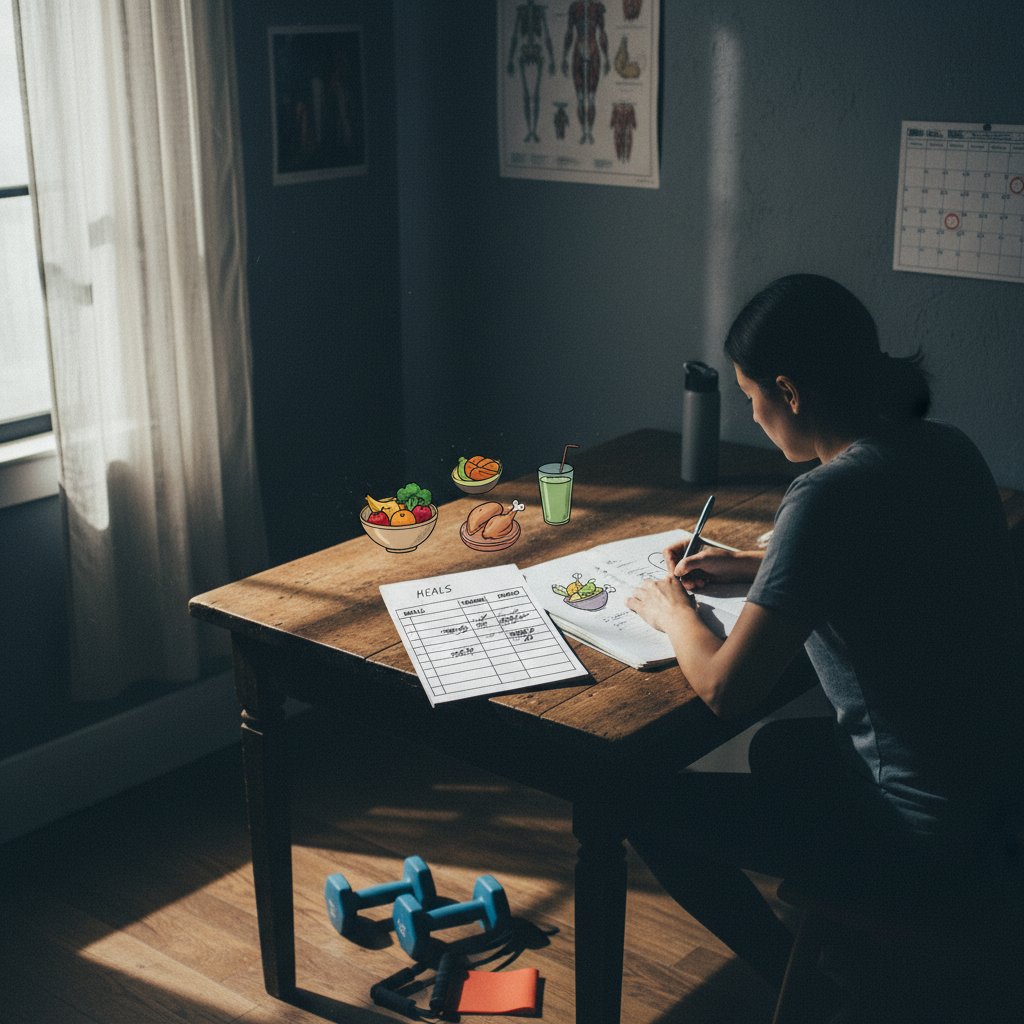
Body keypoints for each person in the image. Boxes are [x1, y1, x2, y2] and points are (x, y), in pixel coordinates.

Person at [624, 274, 1024, 1019]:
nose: (753, 412)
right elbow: (892, 559)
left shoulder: (825, 494)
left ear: (790, 390)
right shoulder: (946, 449)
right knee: (781, 750)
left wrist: (672, 609)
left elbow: (724, 689)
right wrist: (759, 567)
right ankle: (846, 947)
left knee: (635, 802)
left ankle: (802, 980)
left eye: (752, 397)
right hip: (999, 795)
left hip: (921, 834)